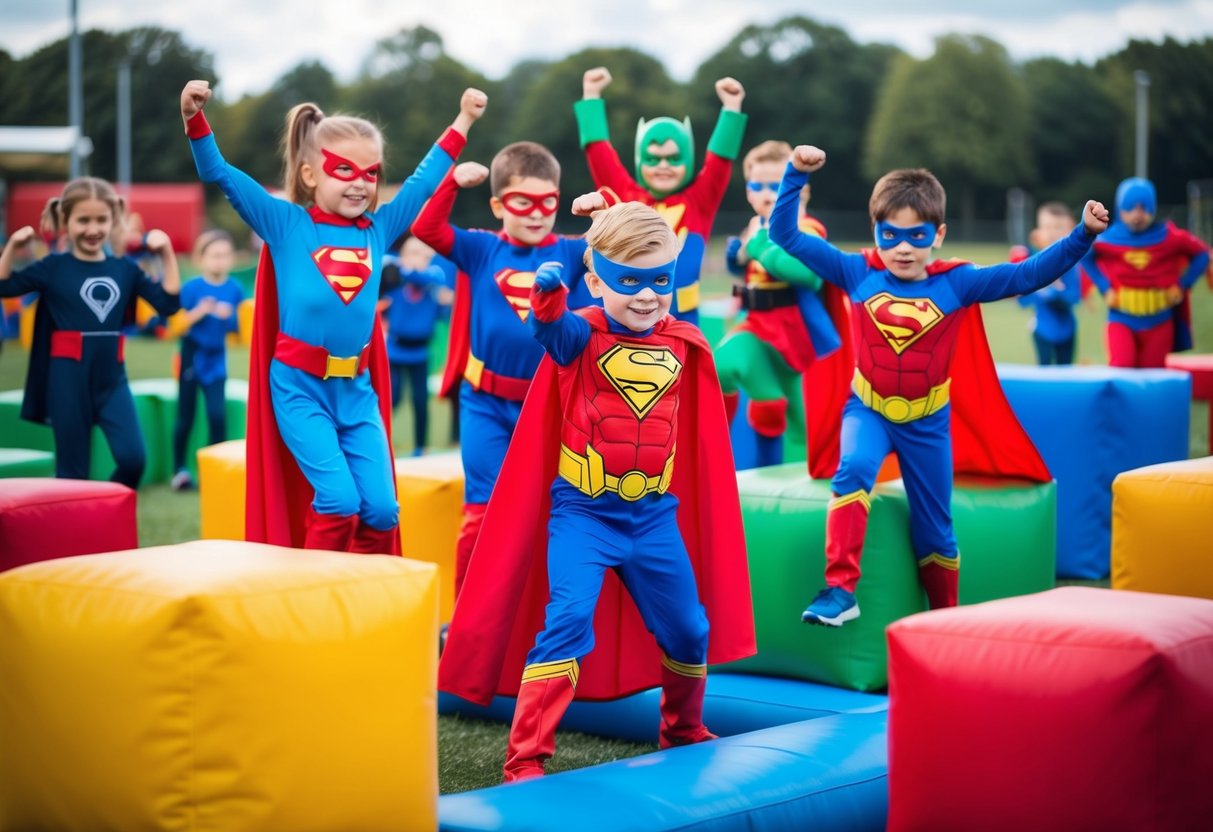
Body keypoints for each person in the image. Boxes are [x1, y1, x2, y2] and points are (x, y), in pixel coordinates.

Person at [438, 198, 755, 783]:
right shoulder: (581, 335)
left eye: (659, 280)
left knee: (689, 629)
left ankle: (682, 729)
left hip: (654, 515)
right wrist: (549, 299)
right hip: (583, 513)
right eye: (627, 280)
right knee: (567, 620)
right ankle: (526, 759)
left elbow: (706, 421)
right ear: (595, 283)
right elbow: (550, 330)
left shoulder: (684, 341)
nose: (644, 294)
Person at [769, 144, 1109, 626]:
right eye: (890, 235)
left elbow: (1028, 274)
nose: (902, 247)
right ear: (875, 232)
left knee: (936, 533)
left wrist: (1083, 235)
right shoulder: (856, 269)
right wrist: (795, 175)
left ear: (939, 234)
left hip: (928, 422)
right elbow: (783, 232)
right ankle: (840, 590)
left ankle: (945, 620)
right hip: (867, 410)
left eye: (916, 235)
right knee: (854, 471)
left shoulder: (958, 283)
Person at [180, 78, 486, 554]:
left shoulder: (380, 229)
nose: (360, 182)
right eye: (344, 170)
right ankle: (319, 597)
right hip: (299, 388)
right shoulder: (285, 225)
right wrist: (194, 119)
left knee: (382, 509)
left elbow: (425, 179)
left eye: (370, 172)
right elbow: (218, 172)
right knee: (339, 499)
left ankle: (362, 598)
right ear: (309, 176)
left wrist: (463, 119)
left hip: (356, 392)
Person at [412, 141, 595, 598]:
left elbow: (618, 244)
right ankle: (467, 620)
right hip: (486, 405)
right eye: (522, 202)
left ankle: (540, 612)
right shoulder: (480, 248)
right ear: (498, 205)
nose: (536, 214)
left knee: (559, 509)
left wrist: (604, 206)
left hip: (549, 406)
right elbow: (426, 227)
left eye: (547, 202)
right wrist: (451, 183)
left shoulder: (572, 254)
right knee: (482, 510)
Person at [0, 176, 181, 487]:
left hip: (112, 379)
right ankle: (75, 530)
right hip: (66, 380)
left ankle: (107, 508)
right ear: (66, 220)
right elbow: (4, 286)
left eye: (101, 219)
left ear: (113, 219)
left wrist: (166, 253)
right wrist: (13, 246)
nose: (93, 229)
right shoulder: (53, 267)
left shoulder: (125, 270)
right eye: (83, 220)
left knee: (133, 458)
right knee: (73, 473)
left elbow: (168, 304)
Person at [573, 66, 747, 325]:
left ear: (687, 159)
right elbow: (600, 153)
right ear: (639, 159)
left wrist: (732, 108)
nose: (663, 166)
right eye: (653, 159)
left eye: (673, 158)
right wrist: (591, 95)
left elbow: (719, 161)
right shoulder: (626, 195)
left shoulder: (698, 200)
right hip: (630, 317)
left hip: (683, 320)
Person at [716, 140, 841, 466]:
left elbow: (808, 274)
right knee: (721, 365)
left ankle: (793, 480)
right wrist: (737, 256)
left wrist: (757, 246)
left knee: (804, 425)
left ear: (801, 191)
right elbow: (744, 267)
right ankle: (710, 449)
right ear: (748, 191)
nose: (768, 193)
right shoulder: (756, 225)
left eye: (778, 184)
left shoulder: (806, 227)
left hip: (795, 335)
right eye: (758, 185)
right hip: (757, 325)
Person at [1081, 177, 1209, 368]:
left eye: (1144, 208)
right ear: (1120, 207)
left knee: (1153, 375)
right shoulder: (1107, 239)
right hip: (1121, 318)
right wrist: (1104, 287)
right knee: (1122, 368)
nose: (1137, 215)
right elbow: (1084, 254)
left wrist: (1183, 285)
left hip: (1160, 320)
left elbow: (1202, 254)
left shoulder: (1169, 237)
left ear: (1153, 207)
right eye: (1130, 207)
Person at [170, 229, 243, 490]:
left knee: (216, 416)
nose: (219, 261)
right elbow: (173, 327)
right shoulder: (191, 288)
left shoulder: (234, 288)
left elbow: (237, 332)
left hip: (217, 362)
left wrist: (229, 317)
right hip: (191, 359)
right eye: (214, 255)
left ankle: (215, 473)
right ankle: (179, 470)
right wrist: (200, 312)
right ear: (201, 258)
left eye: (224, 256)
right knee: (185, 417)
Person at [380, 235, 451, 456]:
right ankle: (379, 444)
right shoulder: (393, 279)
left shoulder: (434, 278)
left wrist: (402, 267)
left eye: (423, 254)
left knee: (421, 401)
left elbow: (442, 298)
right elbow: (385, 275)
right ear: (402, 256)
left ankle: (421, 448)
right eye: (412, 253)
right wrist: (395, 267)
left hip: (420, 351)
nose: (418, 258)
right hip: (395, 350)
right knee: (393, 397)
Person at [1011, 202, 1083, 366]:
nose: (1052, 233)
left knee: (1065, 374)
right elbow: (1021, 299)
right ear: (1039, 231)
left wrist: (1053, 291)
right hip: (1042, 329)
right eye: (1047, 227)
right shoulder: (1034, 262)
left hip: (1067, 331)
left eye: (1058, 227)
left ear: (1070, 229)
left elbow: (1072, 298)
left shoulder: (1073, 264)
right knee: (1044, 373)